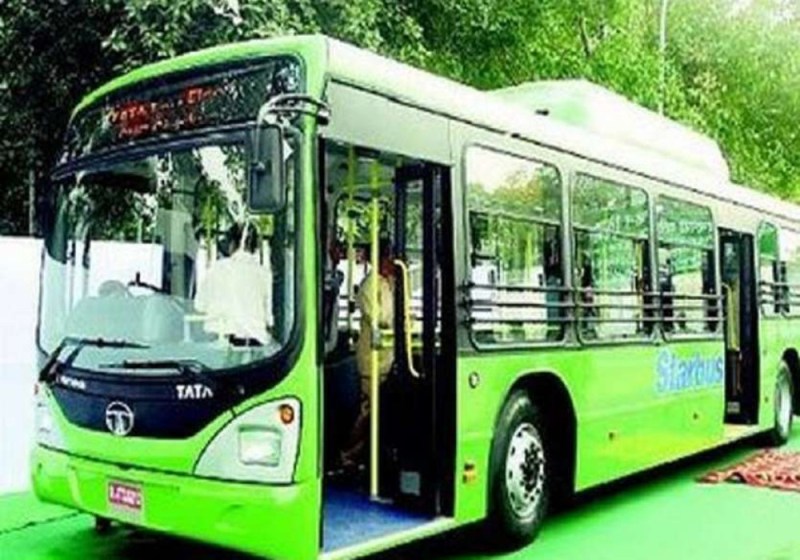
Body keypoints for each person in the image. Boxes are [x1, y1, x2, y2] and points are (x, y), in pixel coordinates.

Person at [340, 238, 396, 468]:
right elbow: (379, 319)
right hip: (372, 359)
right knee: (368, 411)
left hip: (386, 358)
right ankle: (347, 453)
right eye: (389, 257)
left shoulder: (387, 283)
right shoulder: (369, 285)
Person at [194, 221, 275, 347]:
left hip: (222, 345)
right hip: (256, 346)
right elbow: (269, 318)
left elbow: (199, 305)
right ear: (255, 247)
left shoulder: (217, 269)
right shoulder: (264, 274)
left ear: (231, 244)